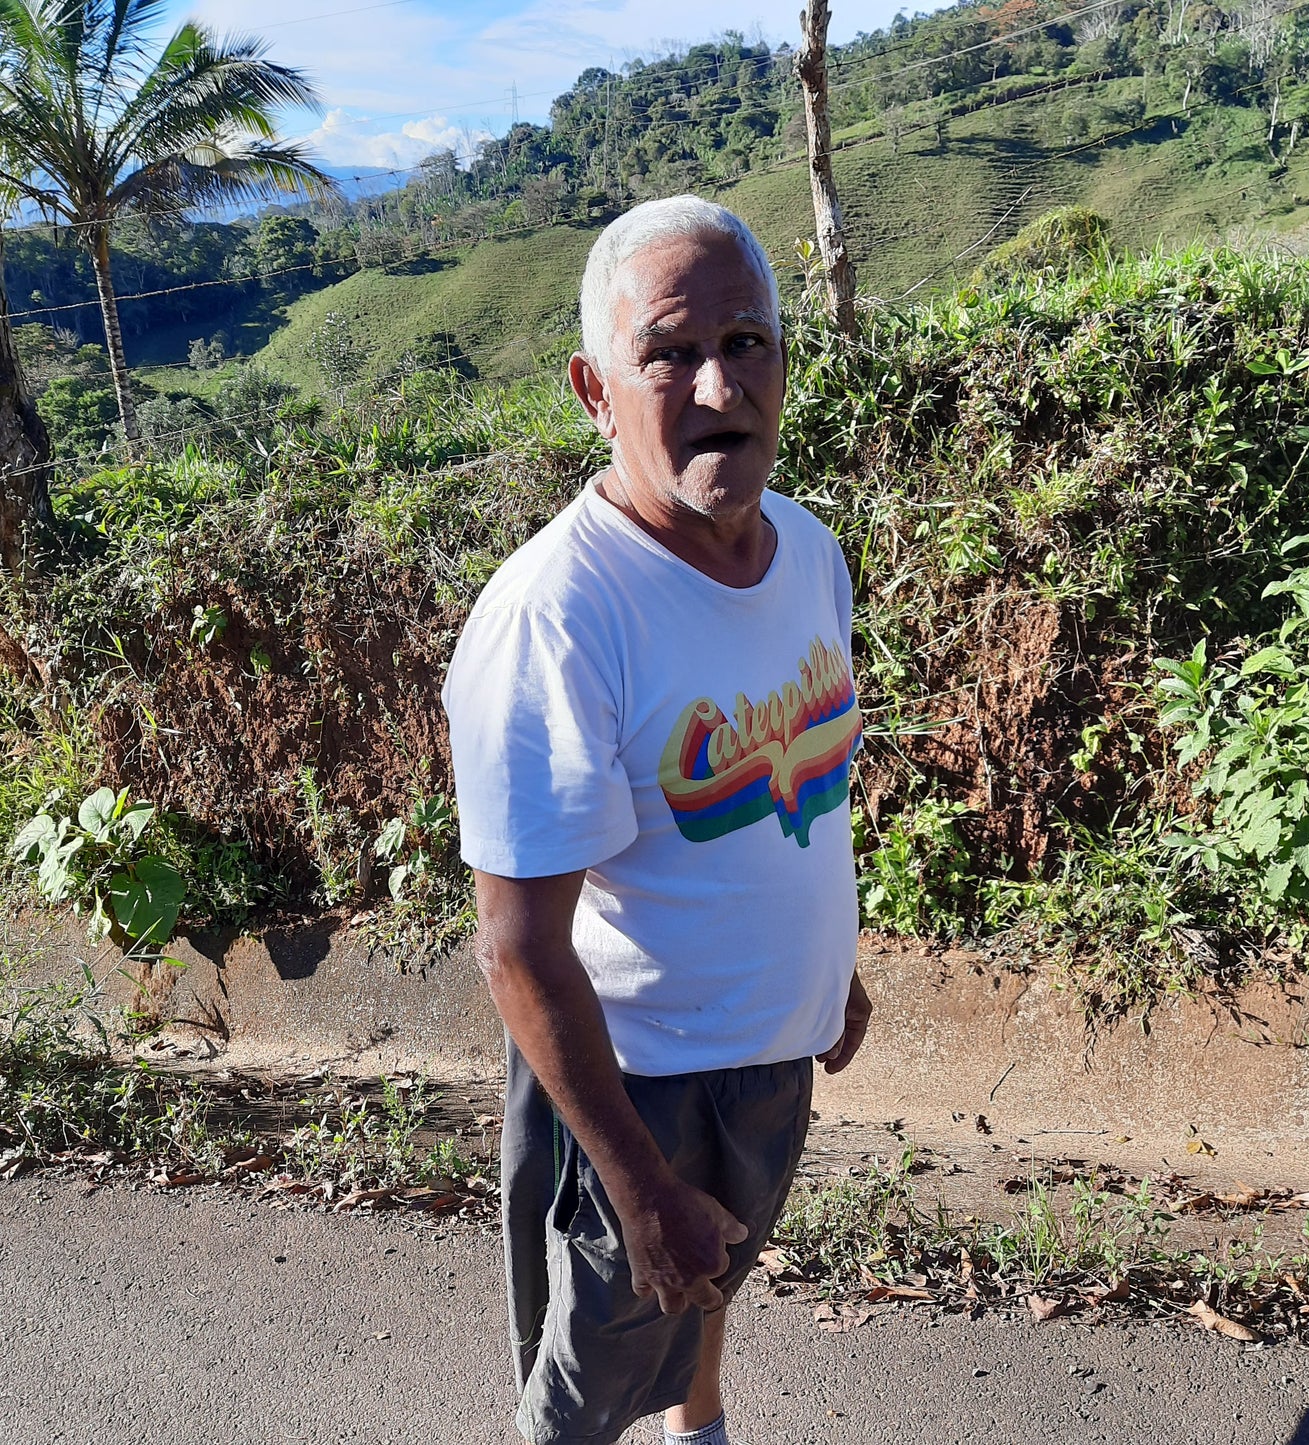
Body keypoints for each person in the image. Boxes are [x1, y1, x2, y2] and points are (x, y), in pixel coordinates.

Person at [443, 194, 871, 1445]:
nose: (714, 381)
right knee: (590, 1368)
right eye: (668, 351)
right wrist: (633, 1179)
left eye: (745, 342)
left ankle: (700, 1430)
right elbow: (518, 947)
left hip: (765, 1050)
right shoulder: (556, 617)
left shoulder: (807, 553)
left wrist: (828, 972)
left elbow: (799, 792)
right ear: (594, 386)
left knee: (715, 1267)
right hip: (636, 1079)